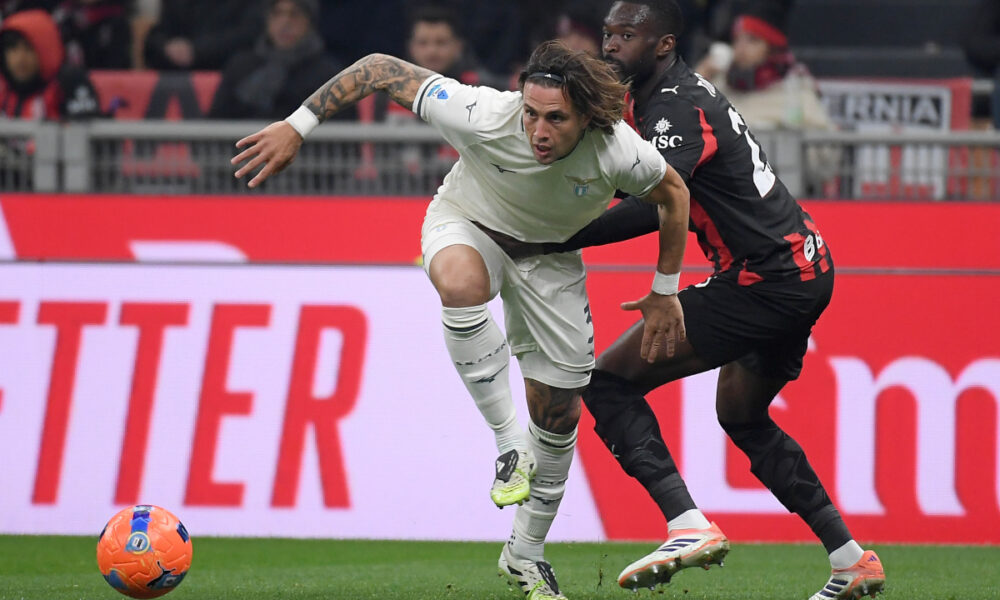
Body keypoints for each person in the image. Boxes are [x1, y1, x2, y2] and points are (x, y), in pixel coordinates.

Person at [230, 40, 691, 600]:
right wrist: (298, 125)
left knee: (560, 413)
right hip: (469, 224)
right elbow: (380, 68)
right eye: (531, 113)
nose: (538, 130)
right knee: (459, 282)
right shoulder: (482, 113)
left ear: (587, 117)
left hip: (549, 258)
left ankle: (525, 555)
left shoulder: (619, 149)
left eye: (555, 119)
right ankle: (507, 446)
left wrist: (664, 289)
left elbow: (674, 193)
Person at [484, 2, 884, 599]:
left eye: (628, 36)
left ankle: (685, 524)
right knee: (742, 416)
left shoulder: (673, 104)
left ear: (664, 44)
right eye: (609, 34)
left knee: (609, 384)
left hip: (766, 278)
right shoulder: (659, 97)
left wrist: (550, 238)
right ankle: (852, 560)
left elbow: (656, 202)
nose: (613, 45)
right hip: (803, 269)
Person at [209, 0, 354, 122]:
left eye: (294, 14)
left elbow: (343, 137)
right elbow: (214, 126)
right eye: (277, 13)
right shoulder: (241, 67)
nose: (285, 22)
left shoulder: (329, 74)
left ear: (309, 21)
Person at [0, 8, 100, 120]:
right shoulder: (3, 92)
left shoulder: (69, 83)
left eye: (28, 49)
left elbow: (84, 133)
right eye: (12, 49)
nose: (20, 59)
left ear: (46, 49)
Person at [143, 0, 263, 70]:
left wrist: (197, 50)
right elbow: (157, 36)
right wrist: (167, 47)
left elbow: (248, 35)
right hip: (179, 78)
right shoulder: (177, 3)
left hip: (227, 74)